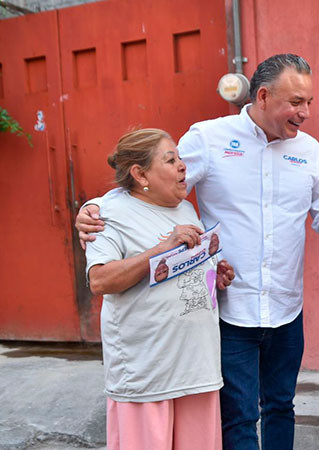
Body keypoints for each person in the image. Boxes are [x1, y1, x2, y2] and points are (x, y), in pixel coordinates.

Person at [75, 54, 319, 450]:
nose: (305, 112)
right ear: (263, 96)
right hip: (232, 311)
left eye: (309, 102)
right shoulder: (208, 138)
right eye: (296, 102)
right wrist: (96, 207)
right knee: (239, 417)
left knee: (281, 407)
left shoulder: (311, 151)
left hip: (286, 308)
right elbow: (153, 182)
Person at [85, 128, 234, 450]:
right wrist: (161, 250)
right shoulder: (108, 216)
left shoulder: (186, 209)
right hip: (148, 376)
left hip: (198, 370)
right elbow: (100, 280)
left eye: (179, 158)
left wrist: (214, 275)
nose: (182, 166)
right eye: (170, 160)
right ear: (140, 174)